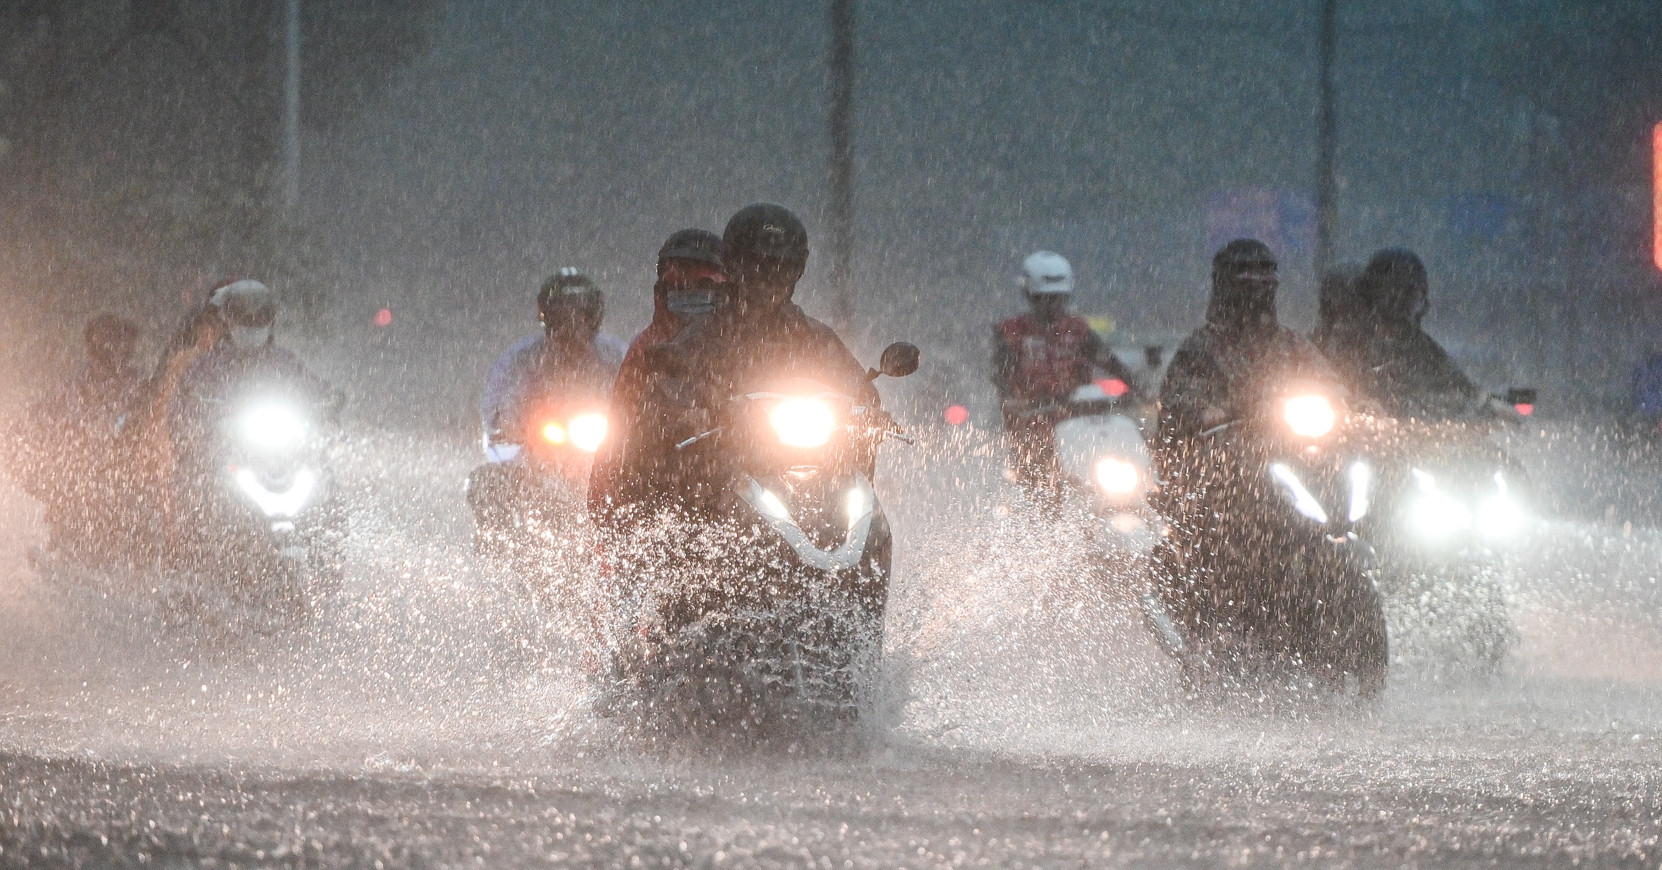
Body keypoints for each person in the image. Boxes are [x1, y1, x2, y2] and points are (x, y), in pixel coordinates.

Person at [613, 203, 879, 521]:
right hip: (723, 486)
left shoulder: (814, 336)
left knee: (862, 505)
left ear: (798, 271)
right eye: (759, 264)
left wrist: (871, 411)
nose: (770, 276)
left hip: (810, 475)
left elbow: (856, 385)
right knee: (688, 494)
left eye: (783, 266)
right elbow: (664, 395)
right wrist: (693, 414)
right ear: (735, 265)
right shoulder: (703, 334)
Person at [165, 280, 339, 555]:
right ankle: (193, 559)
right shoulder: (206, 366)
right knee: (193, 480)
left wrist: (329, 397)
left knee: (322, 473)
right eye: (244, 316)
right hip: (225, 453)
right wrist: (192, 431)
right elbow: (181, 407)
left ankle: (327, 548)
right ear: (228, 320)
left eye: (259, 317)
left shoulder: (283, 361)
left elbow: (311, 385)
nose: (252, 324)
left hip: (279, 453)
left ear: (271, 321)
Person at [587, 229, 726, 529]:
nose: (690, 298)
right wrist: (604, 507)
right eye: (680, 288)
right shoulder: (645, 350)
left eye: (702, 287)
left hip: (737, 472)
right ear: (663, 291)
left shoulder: (745, 340)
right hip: (664, 482)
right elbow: (618, 432)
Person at [1156, 238, 1336, 451]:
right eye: (1247, 284)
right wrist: (1216, 411)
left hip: (1293, 454)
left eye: (1264, 283)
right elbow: (1181, 405)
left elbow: (1329, 383)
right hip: (1221, 461)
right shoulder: (1198, 351)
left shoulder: (1293, 345)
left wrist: (1352, 404)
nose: (1257, 293)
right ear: (1225, 286)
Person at [991, 250, 1140, 497]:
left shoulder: (1077, 329)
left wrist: (1139, 389)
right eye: (1044, 299)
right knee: (1043, 489)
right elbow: (1000, 374)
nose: (1052, 306)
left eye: (1058, 299)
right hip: (1034, 426)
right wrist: (1013, 400)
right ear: (1029, 295)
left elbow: (1109, 361)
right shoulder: (1010, 331)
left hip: (1080, 425)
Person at [7, 314, 145, 557]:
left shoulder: (140, 384)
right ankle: (64, 546)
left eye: (117, 343)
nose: (111, 351)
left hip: (123, 475)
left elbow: (153, 416)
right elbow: (37, 419)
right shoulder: (75, 385)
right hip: (81, 478)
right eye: (103, 343)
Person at [478, 268, 626, 450]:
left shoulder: (616, 354)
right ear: (547, 316)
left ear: (595, 315)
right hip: (538, 450)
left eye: (582, 313)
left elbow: (639, 391)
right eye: (562, 315)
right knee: (490, 476)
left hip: (607, 449)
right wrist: (510, 425)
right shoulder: (522, 358)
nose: (573, 322)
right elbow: (500, 398)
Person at [1346, 248, 1496, 422]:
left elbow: (1463, 390)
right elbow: (1323, 382)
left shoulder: (1425, 350)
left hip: (1410, 438)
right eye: (1392, 291)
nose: (1400, 301)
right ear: (1371, 295)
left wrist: (1481, 406)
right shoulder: (1347, 342)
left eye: (1411, 293)